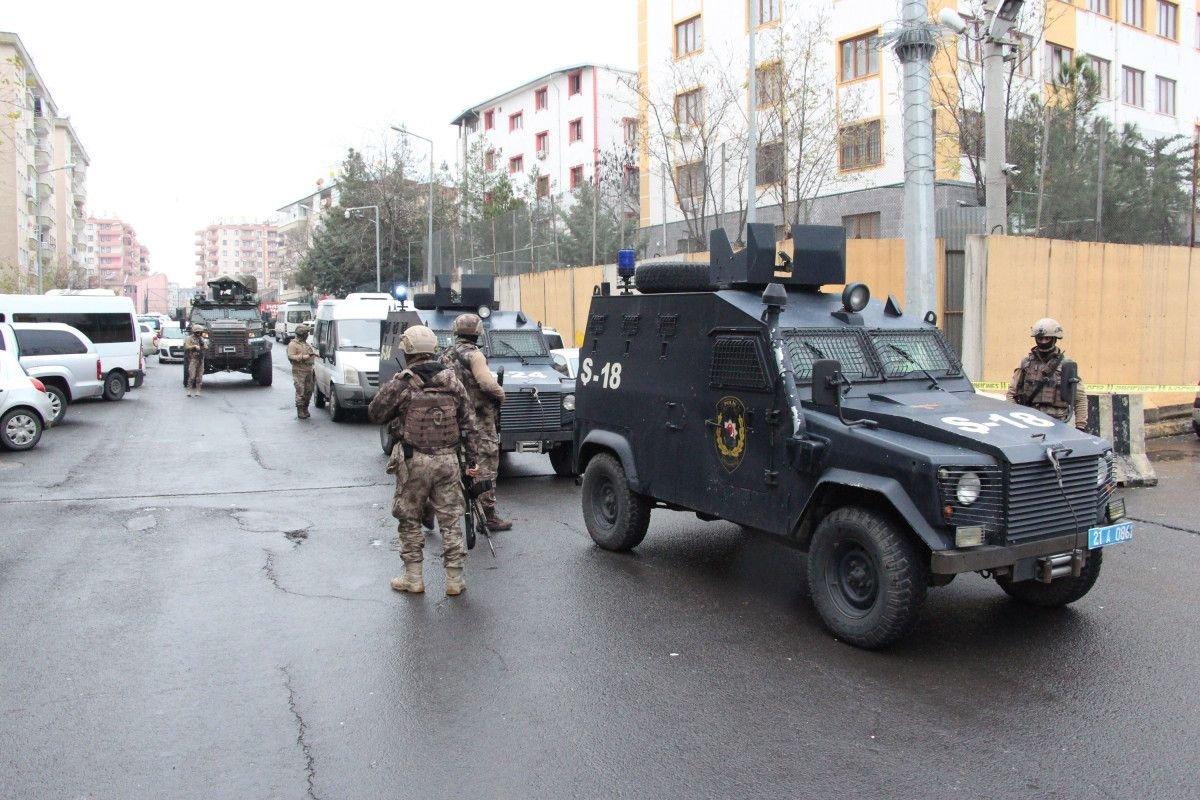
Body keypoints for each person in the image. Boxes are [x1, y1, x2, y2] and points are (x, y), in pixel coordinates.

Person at [368, 325, 481, 597]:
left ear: (407, 351)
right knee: (451, 519)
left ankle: (413, 578)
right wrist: (472, 461)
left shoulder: (403, 382)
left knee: (409, 518)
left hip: (413, 460)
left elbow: (375, 413)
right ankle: (454, 580)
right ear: (432, 350)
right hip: (448, 461)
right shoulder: (452, 382)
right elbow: (469, 424)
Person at [442, 313, 511, 531]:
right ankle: (488, 516)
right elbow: (486, 383)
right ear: (478, 332)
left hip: (453, 419)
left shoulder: (445, 355)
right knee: (487, 465)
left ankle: (432, 509)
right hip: (479, 420)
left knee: (452, 465)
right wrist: (501, 395)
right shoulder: (474, 355)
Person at [1006, 317, 1088, 431]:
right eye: (1040, 338)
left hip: (1057, 424)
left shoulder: (1066, 365)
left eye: (1047, 338)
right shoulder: (1026, 363)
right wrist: (1016, 418)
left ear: (1055, 339)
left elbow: (1079, 398)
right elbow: (1011, 393)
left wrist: (1080, 426)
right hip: (1030, 421)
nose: (1043, 342)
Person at [287, 323, 318, 418]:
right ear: (302, 334)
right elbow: (291, 356)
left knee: (309, 390)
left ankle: (305, 408)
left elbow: (310, 352)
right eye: (306, 333)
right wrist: (304, 357)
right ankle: (300, 410)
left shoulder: (305, 344)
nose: (308, 334)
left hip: (308, 369)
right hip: (299, 370)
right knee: (301, 390)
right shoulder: (293, 344)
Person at [184, 324, 209, 397]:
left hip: (200, 359)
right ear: (194, 332)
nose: (199, 333)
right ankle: (189, 390)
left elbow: (206, 347)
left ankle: (198, 390)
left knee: (199, 376)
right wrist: (194, 346)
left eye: (200, 332)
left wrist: (202, 346)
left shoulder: (202, 339)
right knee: (192, 376)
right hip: (193, 359)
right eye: (197, 332)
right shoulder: (189, 338)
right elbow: (186, 346)